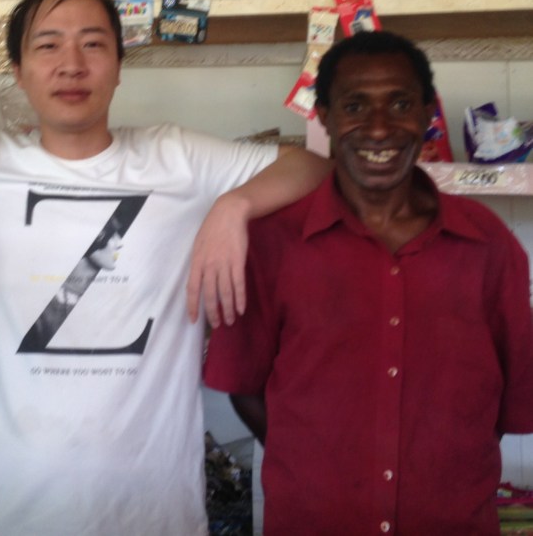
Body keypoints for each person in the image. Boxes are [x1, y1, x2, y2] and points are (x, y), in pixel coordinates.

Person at [0, 0, 332, 535]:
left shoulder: (178, 158)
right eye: (48, 46)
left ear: (118, 66)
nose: (71, 65)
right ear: (19, 70)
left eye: (93, 44)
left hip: (153, 516)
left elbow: (312, 167)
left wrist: (234, 205)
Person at [203, 30, 533, 535]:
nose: (379, 128)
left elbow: (508, 400)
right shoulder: (272, 244)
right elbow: (244, 387)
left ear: (428, 112)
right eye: (355, 106)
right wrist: (316, 462)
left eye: (399, 104)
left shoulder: (487, 243)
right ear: (325, 117)